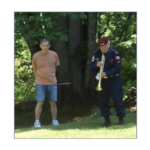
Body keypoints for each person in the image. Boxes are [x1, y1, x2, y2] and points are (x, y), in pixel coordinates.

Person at [90, 37, 125, 127]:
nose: (102, 49)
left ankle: (121, 119)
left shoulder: (114, 53)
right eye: (101, 47)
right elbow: (91, 65)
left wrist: (106, 73)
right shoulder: (96, 53)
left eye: (104, 47)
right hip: (102, 82)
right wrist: (96, 65)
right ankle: (107, 120)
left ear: (108, 45)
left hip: (113, 80)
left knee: (117, 99)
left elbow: (117, 68)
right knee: (102, 101)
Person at [32, 38, 60, 128]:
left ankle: (54, 120)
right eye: (43, 45)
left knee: (53, 102)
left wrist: (51, 75)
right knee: (40, 102)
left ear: (49, 46)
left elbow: (56, 66)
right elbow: (35, 69)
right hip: (40, 82)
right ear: (40, 46)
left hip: (52, 82)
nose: (45, 47)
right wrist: (39, 77)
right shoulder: (36, 56)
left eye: (46, 45)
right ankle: (37, 122)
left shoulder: (54, 54)